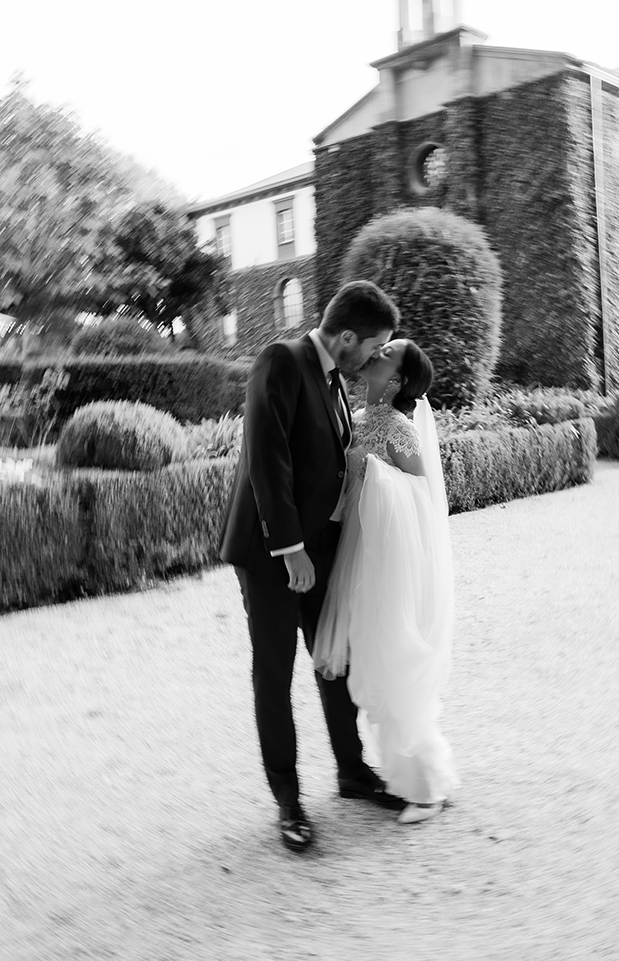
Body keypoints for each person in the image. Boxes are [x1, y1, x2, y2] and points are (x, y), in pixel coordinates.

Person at [219, 280, 402, 853]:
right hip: (271, 554)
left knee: (333, 662)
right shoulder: (281, 360)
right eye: (373, 348)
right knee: (273, 674)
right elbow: (265, 457)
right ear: (346, 337)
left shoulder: (334, 380)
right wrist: (291, 547)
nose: (374, 358)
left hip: (319, 552)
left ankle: (352, 772)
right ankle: (288, 801)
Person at [313, 339, 458, 824]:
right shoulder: (358, 414)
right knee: (372, 662)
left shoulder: (398, 428)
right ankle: (425, 775)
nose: (377, 354)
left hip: (386, 562)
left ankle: (424, 788)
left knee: (390, 660)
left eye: (387, 353)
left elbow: (423, 494)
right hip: (358, 555)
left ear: (396, 380)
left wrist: (378, 476)